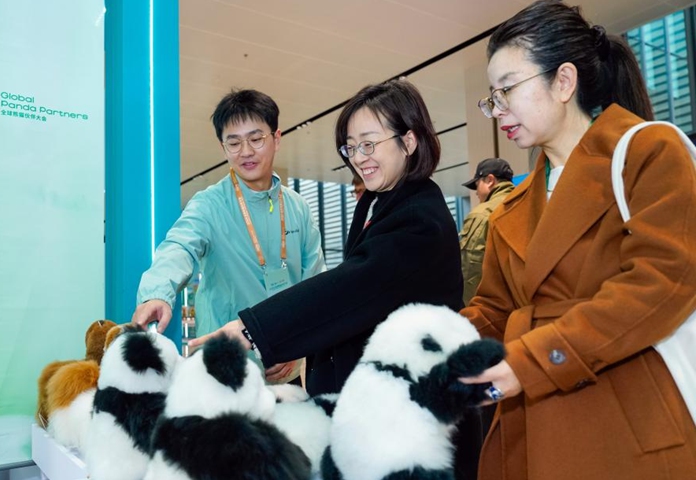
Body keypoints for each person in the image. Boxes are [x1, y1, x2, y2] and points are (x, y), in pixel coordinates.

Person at [191, 79, 483, 480]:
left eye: (369, 144)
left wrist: (252, 329)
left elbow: (349, 287)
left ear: (409, 141)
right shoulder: (380, 202)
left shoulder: (418, 217)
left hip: (410, 430)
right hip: (376, 416)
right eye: (351, 146)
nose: (359, 158)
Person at [457, 1, 696, 479]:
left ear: (564, 81)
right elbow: (494, 308)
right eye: (493, 97)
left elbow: (661, 283)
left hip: (625, 417)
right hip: (531, 420)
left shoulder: (648, 151)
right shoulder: (516, 202)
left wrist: (532, 360)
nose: (497, 109)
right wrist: (431, 340)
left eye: (508, 89)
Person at [132, 89, 325, 384]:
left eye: (256, 138)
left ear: (276, 138)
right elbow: (179, 246)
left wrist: (299, 346)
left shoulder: (298, 207)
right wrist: (157, 292)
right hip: (224, 371)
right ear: (223, 148)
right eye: (233, 142)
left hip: (288, 369)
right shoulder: (209, 204)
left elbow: (315, 285)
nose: (245, 151)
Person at [459, 158, 515, 305]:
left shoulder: (482, 213)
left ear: (490, 180)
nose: (477, 192)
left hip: (493, 306)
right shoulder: (526, 202)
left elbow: (471, 268)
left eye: (477, 184)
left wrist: (468, 309)